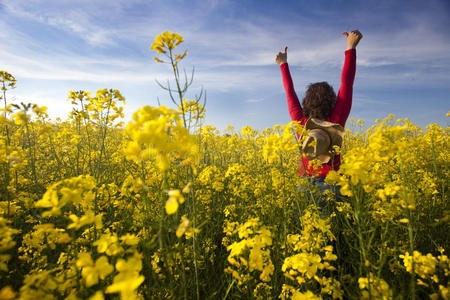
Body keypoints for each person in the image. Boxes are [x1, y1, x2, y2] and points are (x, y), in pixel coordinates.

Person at [275, 30, 363, 208]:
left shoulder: (300, 122)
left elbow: (289, 92)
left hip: (304, 182)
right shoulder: (337, 119)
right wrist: (350, 48)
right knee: (336, 232)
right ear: (331, 100)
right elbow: (347, 83)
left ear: (306, 101)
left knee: (307, 232)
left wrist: (283, 64)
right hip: (334, 182)